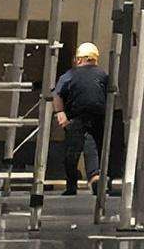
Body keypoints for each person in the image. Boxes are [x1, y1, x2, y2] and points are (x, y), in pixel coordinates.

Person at [52, 40, 111, 197]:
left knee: (71, 153)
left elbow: (57, 94)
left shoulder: (69, 75)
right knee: (96, 149)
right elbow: (111, 94)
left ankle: (72, 186)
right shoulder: (103, 75)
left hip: (76, 117)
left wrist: (60, 113)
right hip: (99, 117)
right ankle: (96, 177)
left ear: (78, 59)